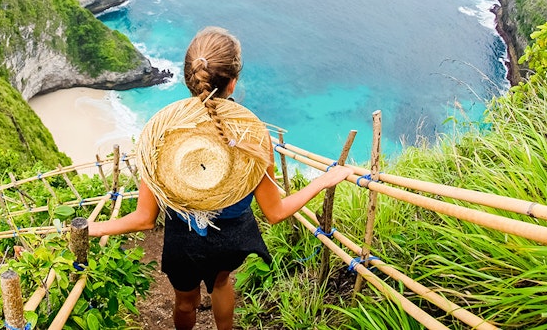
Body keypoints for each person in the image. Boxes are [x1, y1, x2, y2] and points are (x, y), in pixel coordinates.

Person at [88, 27, 354, 330]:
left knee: (185, 300)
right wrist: (323, 180)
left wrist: (92, 228)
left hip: (182, 239)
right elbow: (275, 212)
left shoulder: (160, 135)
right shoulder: (252, 135)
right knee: (222, 283)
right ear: (232, 82)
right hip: (231, 238)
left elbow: (144, 219)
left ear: (189, 76)